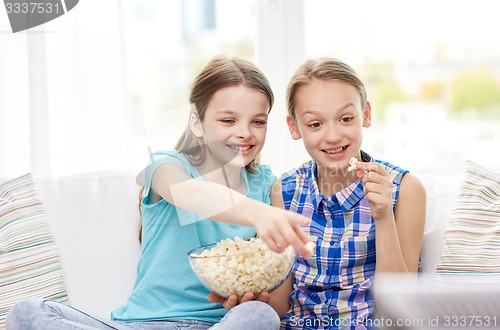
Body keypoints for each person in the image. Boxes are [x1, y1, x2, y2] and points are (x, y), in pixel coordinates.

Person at [6, 55, 312, 330]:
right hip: (138, 325)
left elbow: (280, 305)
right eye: (228, 120)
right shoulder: (165, 167)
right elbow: (194, 195)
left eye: (257, 122)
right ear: (197, 122)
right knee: (27, 311)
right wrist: (260, 214)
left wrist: (252, 299)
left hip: (218, 325)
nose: (244, 132)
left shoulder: (269, 185)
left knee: (262, 316)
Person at [263, 58, 426, 329]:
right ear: (294, 128)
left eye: (346, 119)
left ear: (366, 114)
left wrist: (383, 217)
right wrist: (249, 299)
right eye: (315, 124)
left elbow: (400, 311)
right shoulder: (284, 192)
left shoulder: (405, 190)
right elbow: (280, 304)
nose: (333, 136)